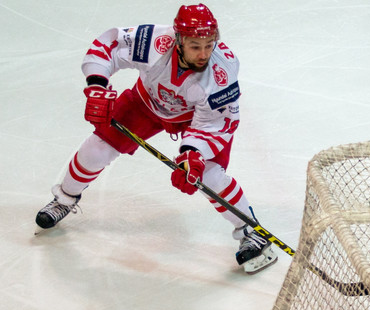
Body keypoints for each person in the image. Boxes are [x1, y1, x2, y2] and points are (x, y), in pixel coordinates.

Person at [34, 4, 277, 274]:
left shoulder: (221, 72)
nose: (204, 53)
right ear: (179, 40)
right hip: (145, 103)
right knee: (97, 149)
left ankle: (251, 231)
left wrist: (192, 154)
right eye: (195, 46)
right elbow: (110, 46)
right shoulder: (154, 42)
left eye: (209, 45)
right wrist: (96, 86)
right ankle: (64, 199)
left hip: (195, 119)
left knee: (208, 175)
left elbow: (215, 122)